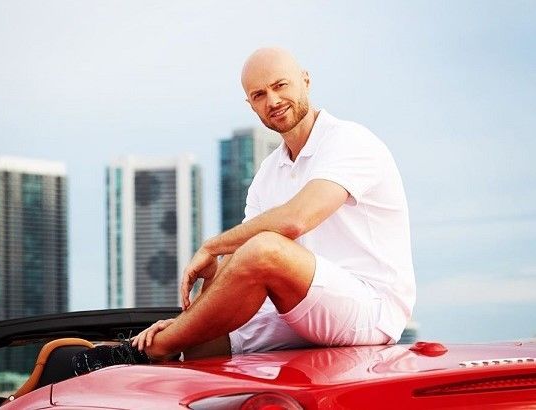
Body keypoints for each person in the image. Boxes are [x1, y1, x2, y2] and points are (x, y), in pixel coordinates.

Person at [72, 47, 415, 374]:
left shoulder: (350, 141)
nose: (273, 101)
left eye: (280, 85)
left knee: (265, 248)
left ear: (306, 80)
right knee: (201, 340)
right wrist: (185, 324)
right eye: (259, 95)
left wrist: (212, 246)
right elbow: (239, 264)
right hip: (304, 308)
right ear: (250, 104)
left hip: (371, 310)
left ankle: (146, 352)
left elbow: (295, 220)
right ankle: (142, 356)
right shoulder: (268, 172)